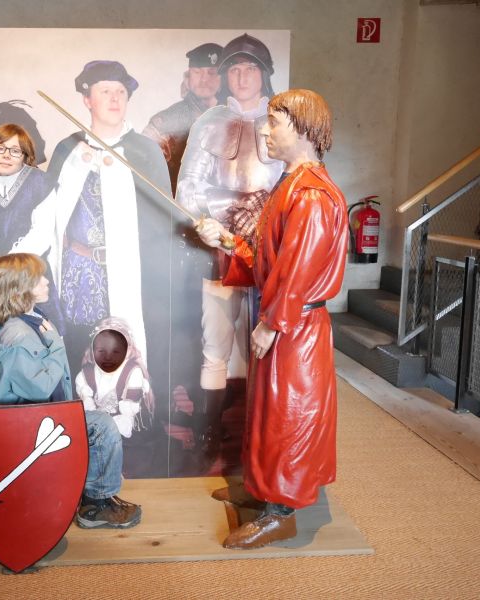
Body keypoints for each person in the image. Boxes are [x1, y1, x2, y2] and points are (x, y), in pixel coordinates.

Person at [196, 89, 348, 549]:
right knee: (269, 414)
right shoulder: (291, 185)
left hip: (294, 328)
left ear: (303, 130)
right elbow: (272, 259)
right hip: (286, 322)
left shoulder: (313, 196)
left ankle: (280, 511)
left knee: (287, 417)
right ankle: (264, 491)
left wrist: (273, 322)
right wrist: (228, 242)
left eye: (274, 122)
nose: (263, 130)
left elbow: (298, 270)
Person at [10, 60, 172, 415]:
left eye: (120, 92)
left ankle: (123, 421)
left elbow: (163, 222)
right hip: (77, 269)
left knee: (121, 343)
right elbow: (45, 214)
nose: (114, 99)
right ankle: (75, 419)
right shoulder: (68, 150)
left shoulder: (145, 151)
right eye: (105, 92)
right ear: (87, 100)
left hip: (129, 272)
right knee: (79, 341)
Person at [175, 34, 284, 462]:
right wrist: (205, 226)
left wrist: (267, 229)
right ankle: (210, 431)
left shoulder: (281, 120)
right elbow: (189, 186)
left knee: (265, 344)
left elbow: (290, 186)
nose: (242, 77)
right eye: (235, 70)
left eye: (250, 69)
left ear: (264, 74)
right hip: (219, 250)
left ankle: (261, 434)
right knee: (216, 343)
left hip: (268, 254)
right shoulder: (210, 122)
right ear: (225, 77)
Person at [0, 253, 142, 528]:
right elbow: (39, 387)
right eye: (38, 279)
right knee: (102, 426)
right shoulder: (18, 335)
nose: (47, 282)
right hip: (28, 424)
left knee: (98, 423)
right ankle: (95, 505)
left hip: (41, 415)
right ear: (20, 289)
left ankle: (95, 496)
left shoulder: (32, 320)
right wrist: (56, 344)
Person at [0, 123, 63, 370]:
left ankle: (40, 399)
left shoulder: (41, 183)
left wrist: (7, 269)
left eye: (15, 151)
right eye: (1, 148)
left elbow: (42, 232)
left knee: (40, 333)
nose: (6, 156)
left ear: (26, 154)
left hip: (29, 272)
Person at [76, 317, 157, 477]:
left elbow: (126, 420)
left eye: (115, 351)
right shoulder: (86, 375)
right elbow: (88, 412)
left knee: (129, 464)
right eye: (101, 351)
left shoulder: (132, 373)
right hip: (97, 431)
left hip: (129, 438)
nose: (108, 357)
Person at [142, 42, 222, 195]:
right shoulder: (165, 123)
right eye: (197, 72)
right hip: (177, 211)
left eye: (212, 72)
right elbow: (142, 172)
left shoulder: (238, 118)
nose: (204, 80)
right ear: (188, 77)